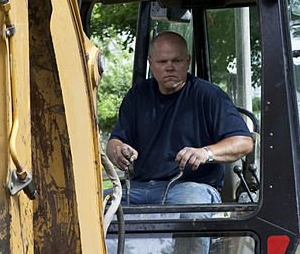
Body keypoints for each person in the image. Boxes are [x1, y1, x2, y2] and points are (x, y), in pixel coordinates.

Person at [106, 31, 254, 206]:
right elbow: (114, 142)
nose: (169, 67)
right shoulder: (137, 96)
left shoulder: (209, 96)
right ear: (151, 63)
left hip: (192, 187)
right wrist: (118, 150)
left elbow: (244, 142)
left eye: (176, 61)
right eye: (162, 62)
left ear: (187, 62)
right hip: (139, 188)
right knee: (93, 205)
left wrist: (205, 153)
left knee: (189, 204)